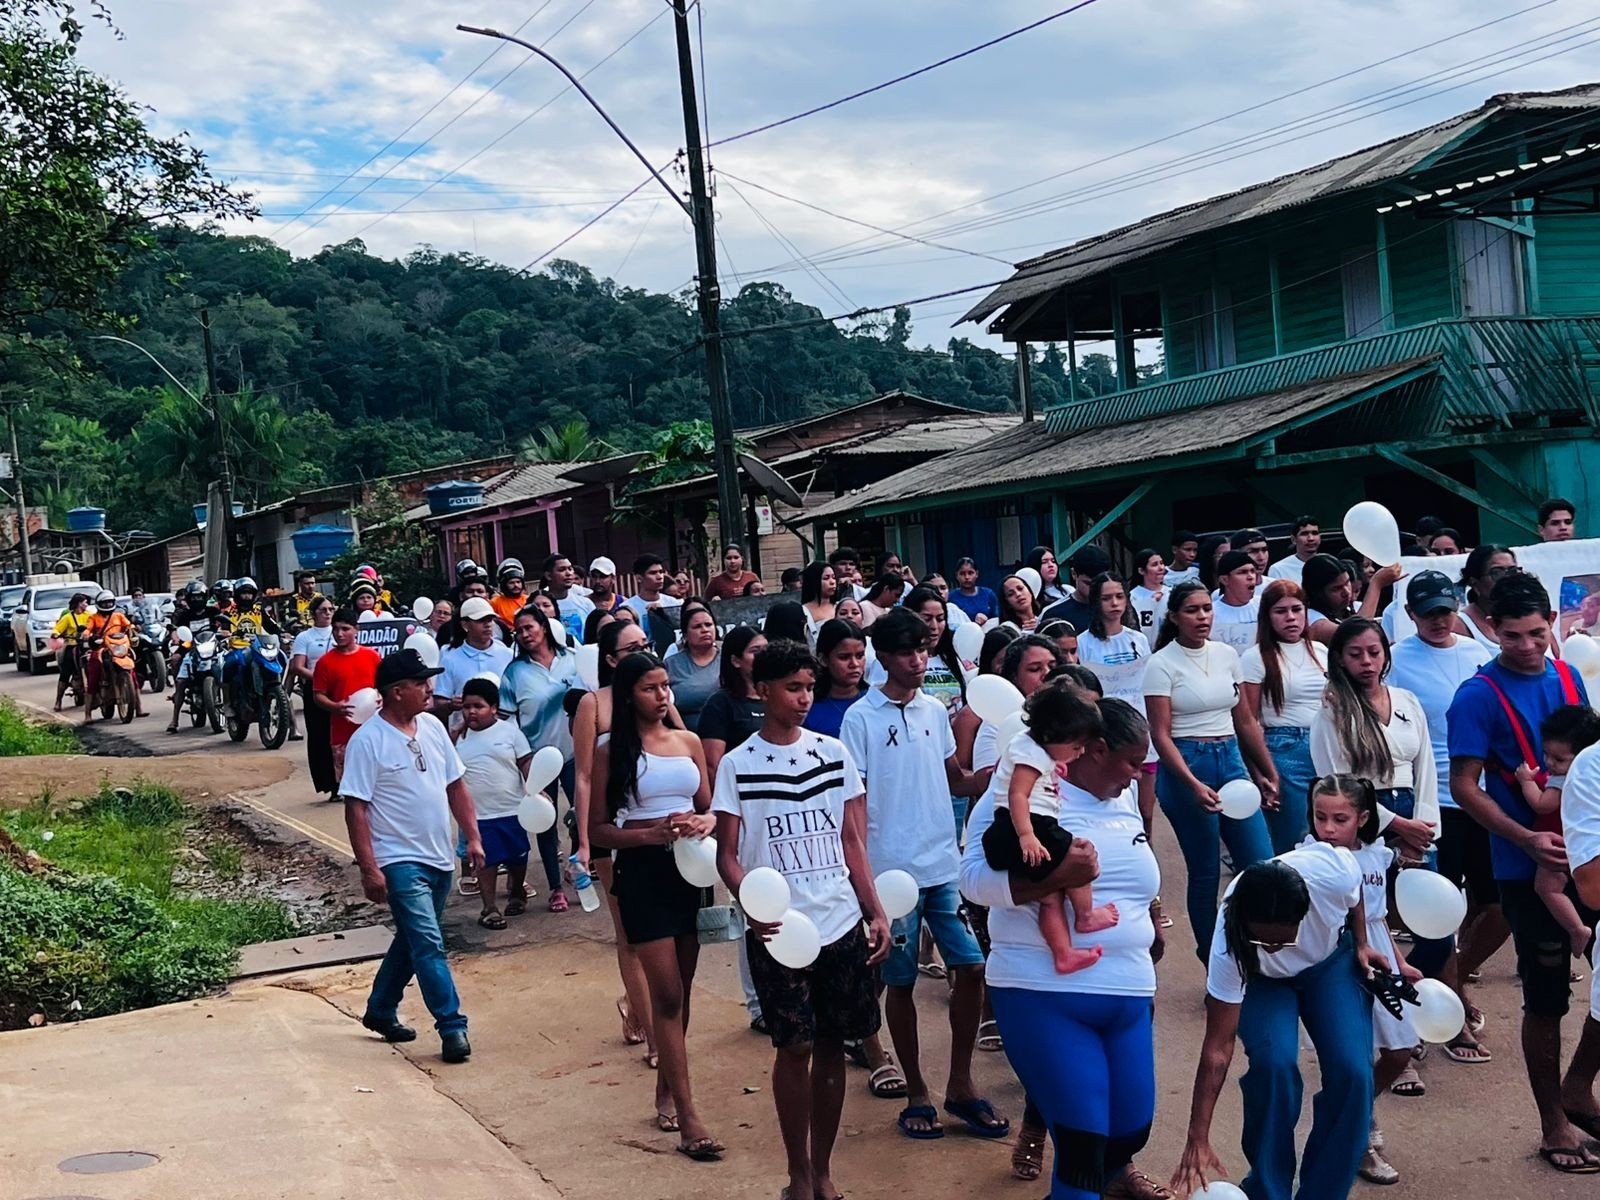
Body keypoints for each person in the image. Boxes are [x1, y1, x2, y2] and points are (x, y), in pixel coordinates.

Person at [961, 698, 1166, 1200]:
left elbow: (1133, 878)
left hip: (1129, 992)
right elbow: (972, 882)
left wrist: (1153, 919)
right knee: (1081, 1146)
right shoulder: (1023, 796)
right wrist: (1055, 878)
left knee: (1129, 1133)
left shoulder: (1119, 799)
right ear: (1094, 750)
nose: (1140, 774)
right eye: (1132, 763)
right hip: (1042, 989)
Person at [713, 640, 891, 1200]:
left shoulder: (833, 753)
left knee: (835, 1044)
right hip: (779, 931)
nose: (804, 698)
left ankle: (823, 1168)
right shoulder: (737, 764)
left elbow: (851, 839)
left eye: (809, 687)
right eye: (793, 688)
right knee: (794, 1047)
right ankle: (796, 1171)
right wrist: (750, 901)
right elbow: (728, 855)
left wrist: (874, 908)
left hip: (839, 921)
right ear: (761, 690)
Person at [1447, 569, 1600, 1174]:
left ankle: (1578, 1086)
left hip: (1589, 856)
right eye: (1513, 636)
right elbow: (1464, 786)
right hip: (1526, 863)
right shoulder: (1477, 696)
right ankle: (1553, 1125)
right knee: (1546, 997)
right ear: (1490, 627)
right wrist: (1527, 839)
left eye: (1538, 633)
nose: (1529, 646)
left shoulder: (1568, 675)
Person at [839, 607, 1001, 1141]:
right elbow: (853, 806)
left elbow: (952, 777)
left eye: (924, 649)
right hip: (892, 875)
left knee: (972, 967)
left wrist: (987, 780)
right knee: (901, 982)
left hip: (942, 865)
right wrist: (866, 883)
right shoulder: (860, 719)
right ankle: (916, 1091)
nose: (917, 659)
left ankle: (960, 1084)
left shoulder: (935, 710)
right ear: (882, 657)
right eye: (907, 651)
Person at [1171, 848, 1381, 1200]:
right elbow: (1218, 1048)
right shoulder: (1230, 937)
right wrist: (1198, 1134)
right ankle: (1269, 1191)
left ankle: (1324, 1193)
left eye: (1283, 941)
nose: (1272, 948)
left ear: (1305, 913)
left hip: (1327, 963)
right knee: (1274, 1065)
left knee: (1354, 1073)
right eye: (1262, 941)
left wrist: (1362, 943)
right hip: (1262, 982)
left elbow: (1356, 889)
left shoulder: (1332, 874)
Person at [588, 651, 723, 1160]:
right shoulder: (610, 752)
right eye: (650, 688)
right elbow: (599, 828)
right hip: (642, 874)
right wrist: (649, 833)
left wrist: (703, 825)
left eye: (665, 685)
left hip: (691, 872)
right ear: (628, 695)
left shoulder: (687, 742)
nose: (662, 695)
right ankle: (690, 1118)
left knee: (682, 992)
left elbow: (709, 808)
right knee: (665, 994)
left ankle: (668, 1089)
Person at [343, 647, 482, 1065]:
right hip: (398, 859)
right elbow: (356, 808)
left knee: (413, 939)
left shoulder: (433, 729)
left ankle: (381, 1009)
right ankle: (452, 1027)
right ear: (396, 691)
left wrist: (472, 838)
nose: (429, 689)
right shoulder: (367, 742)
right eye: (420, 683)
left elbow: (455, 785)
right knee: (428, 944)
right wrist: (370, 869)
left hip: (438, 856)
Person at [1387, 569, 1499, 1059]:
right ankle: (1448, 1016)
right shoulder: (1396, 661)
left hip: (1487, 795)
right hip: (1432, 802)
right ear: (1410, 614)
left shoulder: (1480, 654)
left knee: (1499, 905)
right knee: (1437, 916)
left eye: (1445, 609)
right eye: (1427, 611)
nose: (1439, 619)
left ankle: (1455, 981)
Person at [1301, 773, 1422, 1185]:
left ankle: (1351, 1112)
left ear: (1363, 817)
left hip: (1380, 957)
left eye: (1340, 819)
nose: (1329, 829)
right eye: (1321, 818)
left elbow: (1377, 913)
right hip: (1336, 958)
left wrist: (1399, 960)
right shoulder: (1308, 857)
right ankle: (1360, 1137)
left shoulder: (1375, 856)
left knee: (1401, 1049)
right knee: (1350, 1057)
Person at [1145, 580, 1277, 956]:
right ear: (1173, 617)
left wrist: (1266, 771)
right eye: (1192, 610)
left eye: (1206, 608)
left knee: (1259, 863)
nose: (1202, 617)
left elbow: (1246, 720)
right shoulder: (1161, 663)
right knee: (1204, 873)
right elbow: (1161, 734)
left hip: (1231, 759)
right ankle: (1212, 958)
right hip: (1187, 763)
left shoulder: (1225, 655)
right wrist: (1190, 783)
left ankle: (1251, 950)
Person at [573, 618, 662, 1061]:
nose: (643, 653)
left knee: (663, 934)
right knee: (629, 934)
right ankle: (649, 1030)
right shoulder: (595, 705)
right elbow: (585, 775)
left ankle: (636, 1005)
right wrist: (587, 841)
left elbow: (684, 743)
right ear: (611, 660)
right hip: (612, 828)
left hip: (659, 826)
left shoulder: (659, 698)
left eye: (645, 644)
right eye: (631, 649)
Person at [983, 681, 1115, 973]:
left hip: (1016, 828)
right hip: (1030, 825)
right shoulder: (1031, 756)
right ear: (1050, 735)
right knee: (1080, 856)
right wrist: (1027, 835)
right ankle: (1086, 915)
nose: (1079, 753)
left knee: (1050, 895)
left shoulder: (1032, 747)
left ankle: (1063, 953)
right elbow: (1018, 794)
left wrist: (1053, 765)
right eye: (1076, 746)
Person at [500, 605, 579, 912]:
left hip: (575, 753)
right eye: (518, 631)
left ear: (544, 627)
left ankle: (576, 865)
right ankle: (556, 888)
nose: (524, 634)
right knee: (545, 825)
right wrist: (525, 761)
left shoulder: (573, 660)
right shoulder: (513, 673)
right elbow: (507, 721)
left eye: (529, 627)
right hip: (537, 760)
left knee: (580, 816)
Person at [1240, 581, 1327, 853]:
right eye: (1280, 611)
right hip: (1284, 747)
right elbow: (1248, 721)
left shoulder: (1321, 652)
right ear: (1267, 616)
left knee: (1327, 833)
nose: (1290, 617)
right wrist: (1262, 772)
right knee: (1294, 840)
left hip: (1326, 744)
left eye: (1296, 609)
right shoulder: (1255, 658)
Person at [1516, 704, 1600, 955]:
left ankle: (1576, 928)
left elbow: (1542, 805)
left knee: (1546, 887)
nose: (1549, 763)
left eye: (1559, 759)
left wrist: (1525, 783)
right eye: (1547, 755)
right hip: (1574, 846)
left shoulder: (1574, 775)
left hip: (1559, 843)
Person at [453, 677, 533, 929]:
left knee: (518, 857)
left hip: (512, 809)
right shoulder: (457, 737)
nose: (472, 712)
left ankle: (517, 891)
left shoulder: (510, 733)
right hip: (479, 815)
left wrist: (536, 790)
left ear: (494, 708)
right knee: (484, 862)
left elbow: (525, 763)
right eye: (467, 706)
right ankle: (489, 908)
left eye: (479, 706)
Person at [311, 608, 381, 796]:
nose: (339, 634)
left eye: (345, 629)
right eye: (335, 629)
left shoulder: (372, 656)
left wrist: (382, 697)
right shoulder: (325, 663)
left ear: (356, 630)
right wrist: (335, 707)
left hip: (373, 729)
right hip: (342, 732)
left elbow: (384, 687)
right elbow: (318, 695)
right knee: (351, 790)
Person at [434, 596, 513, 732]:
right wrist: (451, 705)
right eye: (481, 620)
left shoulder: (507, 654)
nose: (488, 625)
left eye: (490, 620)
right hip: (464, 736)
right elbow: (439, 702)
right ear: (465, 625)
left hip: (505, 735)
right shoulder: (450, 658)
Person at [291, 595, 338, 797]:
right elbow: (299, 667)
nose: (327, 613)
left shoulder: (340, 633)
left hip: (340, 691)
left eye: (330, 609)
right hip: (316, 691)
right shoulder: (305, 638)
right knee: (321, 737)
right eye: (323, 610)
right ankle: (329, 783)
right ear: (313, 614)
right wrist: (321, 680)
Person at [80, 590, 141, 722]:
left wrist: (134, 627)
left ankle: (139, 708)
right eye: (105, 603)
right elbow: (88, 628)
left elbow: (128, 625)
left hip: (119, 648)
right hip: (102, 649)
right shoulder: (93, 618)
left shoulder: (118, 616)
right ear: (99, 604)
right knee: (93, 677)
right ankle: (87, 715)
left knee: (133, 675)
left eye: (109, 603)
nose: (107, 605)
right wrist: (86, 633)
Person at [804, 618, 870, 739]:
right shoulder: (807, 708)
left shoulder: (876, 701)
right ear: (823, 659)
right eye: (844, 657)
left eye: (860, 656)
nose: (854, 664)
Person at [666, 600, 720, 731]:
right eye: (697, 627)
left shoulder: (730, 658)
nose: (705, 630)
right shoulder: (671, 664)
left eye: (708, 625)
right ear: (685, 634)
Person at [1457, 544, 1517, 649]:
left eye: (1513, 571)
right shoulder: (1461, 625)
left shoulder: (1533, 618)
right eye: (1497, 573)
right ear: (1474, 582)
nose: (1508, 579)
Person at [1041, 546, 1111, 633]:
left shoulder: (1117, 607)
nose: (1094, 589)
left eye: (1099, 583)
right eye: (1088, 583)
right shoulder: (1053, 613)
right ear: (1073, 574)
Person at [1208, 550, 1260, 648]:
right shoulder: (1211, 613)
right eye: (1242, 572)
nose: (1251, 577)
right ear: (1224, 580)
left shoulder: (1263, 605)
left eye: (1252, 571)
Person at [51, 592, 91, 712]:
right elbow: (57, 629)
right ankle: (58, 701)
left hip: (87, 646)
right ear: (79, 603)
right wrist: (55, 634)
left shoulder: (89, 615)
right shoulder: (68, 617)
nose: (87, 604)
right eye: (85, 602)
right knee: (66, 672)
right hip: (73, 646)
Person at [542, 554, 594, 640]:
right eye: (562, 570)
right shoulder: (540, 606)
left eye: (570, 569)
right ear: (548, 575)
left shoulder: (586, 603)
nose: (569, 573)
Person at [623, 553, 682, 624]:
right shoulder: (628, 608)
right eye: (653, 573)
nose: (659, 577)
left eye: (661, 572)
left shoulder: (674, 604)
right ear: (639, 578)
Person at [1267, 515, 1322, 583]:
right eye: (1304, 534)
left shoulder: (1330, 566)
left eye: (1314, 533)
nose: (1311, 538)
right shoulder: (1278, 569)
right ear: (1293, 539)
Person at [1129, 548, 1168, 635]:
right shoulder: (1132, 597)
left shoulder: (1172, 593)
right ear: (1141, 570)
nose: (1161, 567)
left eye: (1161, 563)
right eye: (1154, 565)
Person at [950, 556, 998, 625]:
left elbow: (998, 618)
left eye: (970, 573)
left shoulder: (988, 594)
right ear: (956, 576)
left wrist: (987, 621)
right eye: (962, 574)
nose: (967, 577)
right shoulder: (951, 597)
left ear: (977, 574)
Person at [801, 561, 839, 632]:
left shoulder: (840, 606)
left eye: (834, 577)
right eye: (826, 578)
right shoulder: (803, 611)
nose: (832, 582)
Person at [490, 561, 529, 626]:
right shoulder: (495, 602)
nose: (516, 585)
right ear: (504, 585)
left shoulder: (528, 599)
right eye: (511, 583)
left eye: (518, 582)